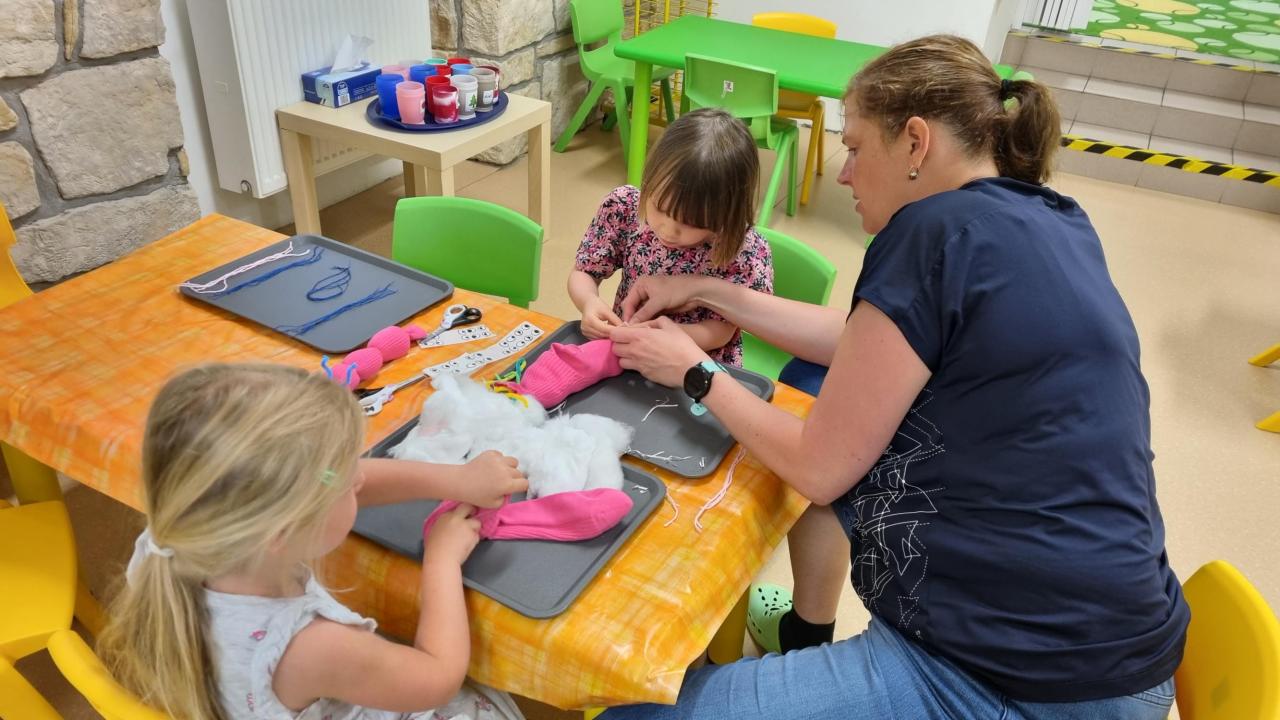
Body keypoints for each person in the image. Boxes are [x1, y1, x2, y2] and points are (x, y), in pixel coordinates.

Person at [604, 35, 1189, 719]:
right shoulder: (1049, 216)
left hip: (1016, 680)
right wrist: (706, 289)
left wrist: (695, 371)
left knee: (631, 712)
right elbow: (864, 346)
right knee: (815, 381)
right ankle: (806, 631)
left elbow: (820, 469)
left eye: (853, 149)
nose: (844, 175)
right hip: (1119, 651)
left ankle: (806, 642)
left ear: (915, 142)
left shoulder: (928, 233)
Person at [98, 363, 528, 720]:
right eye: (345, 481)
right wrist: (441, 560)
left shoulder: (176, 535)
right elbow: (437, 678)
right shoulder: (313, 647)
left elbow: (332, 481)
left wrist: (457, 479)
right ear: (284, 530)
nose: (359, 477)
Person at [568, 107, 773, 366]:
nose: (668, 229)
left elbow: (722, 331)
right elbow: (584, 272)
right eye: (659, 208)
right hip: (628, 356)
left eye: (691, 223)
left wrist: (661, 337)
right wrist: (589, 302)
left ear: (727, 215)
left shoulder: (742, 251)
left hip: (699, 367)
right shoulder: (625, 208)